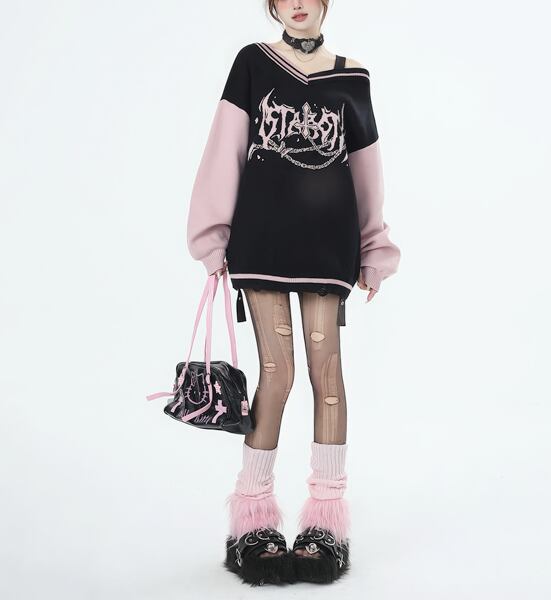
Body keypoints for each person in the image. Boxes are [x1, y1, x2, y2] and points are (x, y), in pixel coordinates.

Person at [186, 0, 401, 586]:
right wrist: (212, 237)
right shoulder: (253, 63)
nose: (298, 3)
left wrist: (374, 249)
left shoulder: (353, 78)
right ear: (273, 5)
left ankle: (326, 523)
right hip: (262, 242)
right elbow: (225, 150)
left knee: (327, 373)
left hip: (328, 247)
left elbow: (367, 171)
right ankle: (252, 519)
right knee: (276, 373)